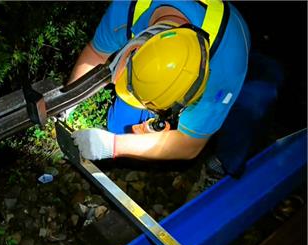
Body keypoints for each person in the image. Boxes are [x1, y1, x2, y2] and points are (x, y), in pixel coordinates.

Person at [68, 0, 282, 178]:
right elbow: (96, 54)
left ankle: (222, 167)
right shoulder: (128, 9)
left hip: (236, 53)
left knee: (251, 107)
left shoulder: (226, 65)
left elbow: (190, 144)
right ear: (136, 47)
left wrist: (112, 146)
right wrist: (69, 99)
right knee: (121, 126)